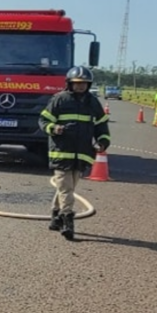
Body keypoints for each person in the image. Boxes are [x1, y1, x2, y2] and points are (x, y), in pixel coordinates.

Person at [38, 66, 110, 240]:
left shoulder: (93, 102)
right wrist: (54, 128)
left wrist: (103, 141)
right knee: (66, 188)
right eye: (76, 84)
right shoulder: (59, 100)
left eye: (83, 84)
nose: (80, 87)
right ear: (69, 84)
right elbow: (43, 120)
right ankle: (67, 220)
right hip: (61, 152)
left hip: (82, 153)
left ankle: (55, 216)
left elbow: (101, 125)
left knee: (68, 188)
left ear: (88, 84)